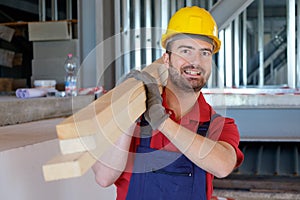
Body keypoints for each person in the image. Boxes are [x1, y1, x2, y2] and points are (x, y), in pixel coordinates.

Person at [92, 6, 244, 200]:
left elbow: (223, 166)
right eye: (185, 51)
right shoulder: (131, 113)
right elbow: (104, 177)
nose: (195, 62)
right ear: (167, 59)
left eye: (204, 53)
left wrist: (161, 121)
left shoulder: (218, 124)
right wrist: (129, 112)